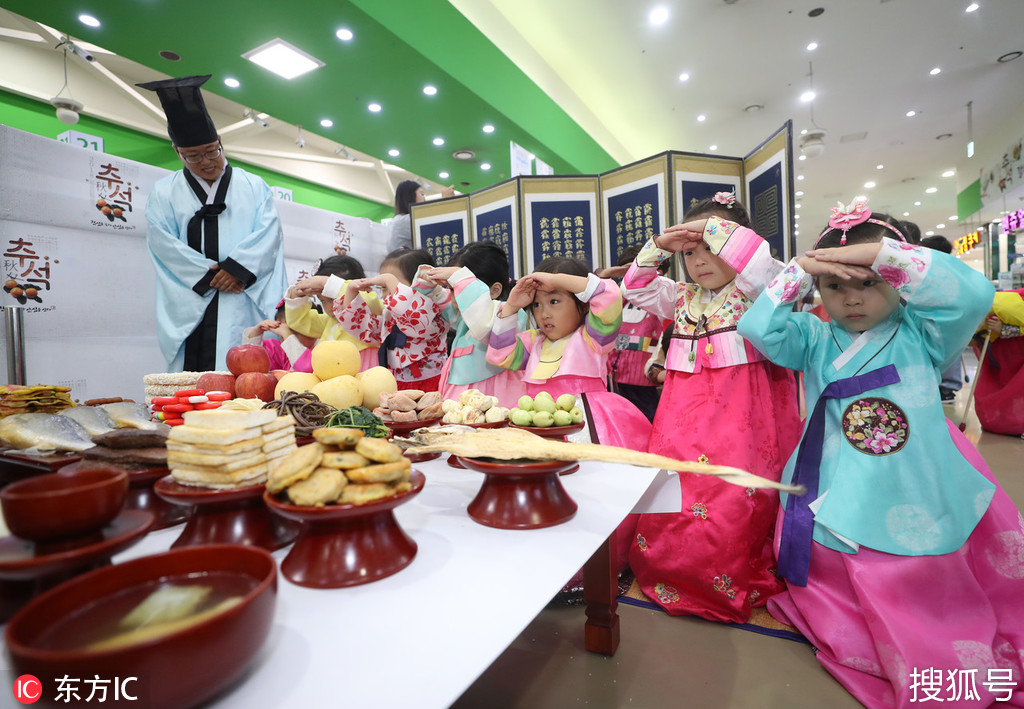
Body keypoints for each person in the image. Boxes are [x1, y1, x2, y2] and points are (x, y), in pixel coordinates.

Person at [738, 199, 1023, 708]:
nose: (851, 300)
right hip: (835, 471)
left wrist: (880, 252)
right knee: (842, 557)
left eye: (869, 282)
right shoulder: (812, 335)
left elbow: (975, 293)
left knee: (922, 565)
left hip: (914, 473)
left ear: (897, 280)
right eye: (835, 286)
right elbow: (759, 330)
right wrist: (798, 271)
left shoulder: (927, 332)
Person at [621, 192, 801, 623]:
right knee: (677, 487)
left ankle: (727, 577)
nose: (700, 259)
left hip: (741, 414)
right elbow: (634, 287)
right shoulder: (680, 296)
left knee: (733, 494)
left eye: (712, 248)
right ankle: (671, 570)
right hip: (681, 414)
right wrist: (658, 245)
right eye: (690, 251)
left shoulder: (755, 290)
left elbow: (780, 276)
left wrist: (717, 230)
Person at [139, 74, 287, 372]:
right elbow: (162, 243)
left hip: (241, 294)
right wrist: (208, 276)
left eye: (211, 151)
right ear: (176, 152)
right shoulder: (165, 192)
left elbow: (269, 234)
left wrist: (236, 269)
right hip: (195, 298)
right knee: (193, 384)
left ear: (221, 142)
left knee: (248, 375)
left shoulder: (253, 185)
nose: (206, 162)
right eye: (193, 157)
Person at [486, 257, 622, 400]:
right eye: (537, 304)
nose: (544, 314)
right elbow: (500, 354)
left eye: (554, 301)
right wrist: (512, 306)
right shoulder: (533, 342)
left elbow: (609, 295)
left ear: (583, 305)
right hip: (539, 418)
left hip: (587, 419)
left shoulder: (593, 338)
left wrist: (556, 280)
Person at [422, 241, 527, 407]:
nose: (456, 295)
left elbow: (485, 327)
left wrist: (460, 277)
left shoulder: (509, 313)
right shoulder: (461, 314)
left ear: (494, 290)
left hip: (496, 398)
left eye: (462, 287)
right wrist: (426, 281)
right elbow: (428, 304)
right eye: (452, 288)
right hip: (458, 397)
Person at [338, 249, 449, 391]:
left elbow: (413, 317)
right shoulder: (389, 314)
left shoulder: (434, 311)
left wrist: (388, 280)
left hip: (432, 384)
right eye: (382, 287)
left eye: (389, 285)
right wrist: (351, 291)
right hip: (396, 384)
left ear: (420, 284)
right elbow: (363, 328)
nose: (385, 293)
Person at [598, 245, 671, 422]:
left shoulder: (663, 298)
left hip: (644, 379)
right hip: (613, 377)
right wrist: (607, 276)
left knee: (647, 421)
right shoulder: (617, 297)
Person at [286, 254, 379, 372]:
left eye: (333, 298)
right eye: (323, 301)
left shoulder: (369, 316)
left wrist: (326, 283)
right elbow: (299, 322)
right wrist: (297, 297)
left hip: (364, 382)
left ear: (362, 287)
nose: (330, 307)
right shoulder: (329, 322)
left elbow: (366, 302)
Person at [973, 287, 1024, 436]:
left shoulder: (1008, 298)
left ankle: (1003, 420)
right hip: (1004, 349)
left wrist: (1002, 330)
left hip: (999, 348)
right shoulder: (1014, 297)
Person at [921, 235, 964, 401]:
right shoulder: (956, 268)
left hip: (934, 317)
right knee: (951, 352)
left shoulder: (929, 269)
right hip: (953, 318)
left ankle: (942, 386)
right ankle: (948, 387)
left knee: (935, 351)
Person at [241, 299, 316, 372]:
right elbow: (251, 362)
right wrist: (256, 332)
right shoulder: (281, 351)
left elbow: (305, 367)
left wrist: (287, 334)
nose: (286, 339)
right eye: (281, 333)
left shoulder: (320, 349)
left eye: (293, 333)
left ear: (315, 328)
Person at [385, 180, 455, 251]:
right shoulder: (406, 221)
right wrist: (446, 201)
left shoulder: (397, 221)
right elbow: (435, 225)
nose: (424, 199)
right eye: (422, 194)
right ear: (410, 196)